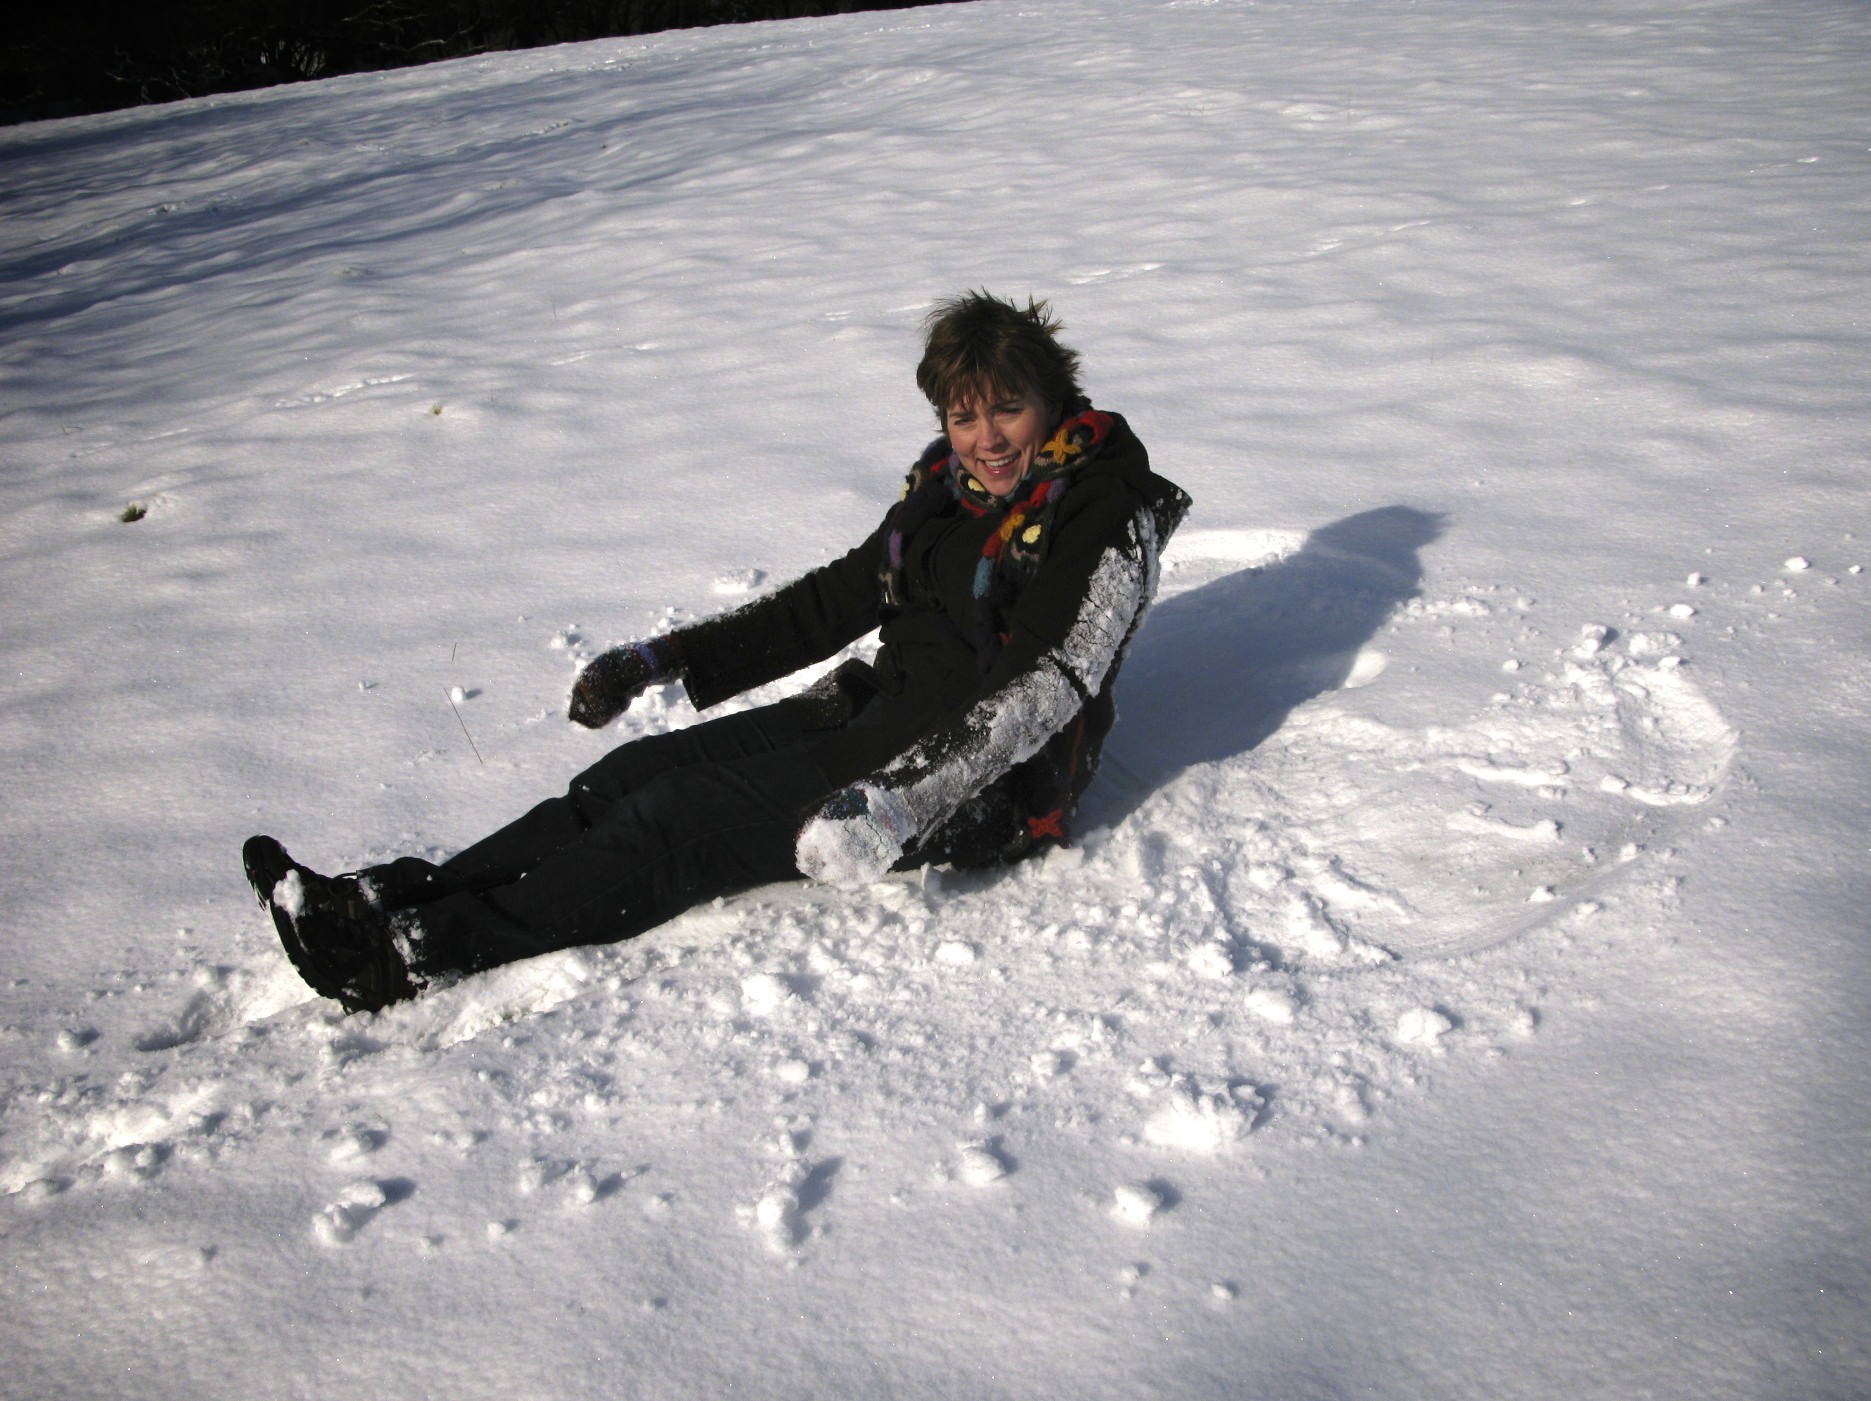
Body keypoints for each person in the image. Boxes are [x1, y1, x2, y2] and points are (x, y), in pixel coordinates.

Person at [243, 291, 1191, 1012]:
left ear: (1052, 397)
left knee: (674, 823)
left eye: (1007, 411)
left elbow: (1047, 686)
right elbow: (833, 599)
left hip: (970, 785)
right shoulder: (947, 493)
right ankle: (387, 901)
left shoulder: (1104, 508)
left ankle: (406, 958)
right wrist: (659, 658)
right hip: (873, 714)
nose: (985, 441)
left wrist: (903, 799)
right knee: (624, 780)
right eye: (962, 417)